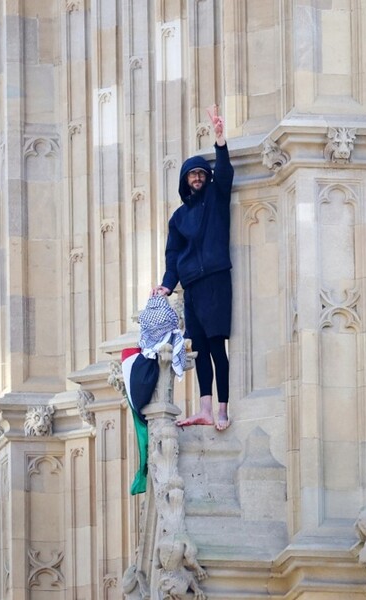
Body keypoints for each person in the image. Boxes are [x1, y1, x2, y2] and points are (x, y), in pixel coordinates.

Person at [153, 105, 234, 431]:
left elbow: (225, 174)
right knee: (198, 348)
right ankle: (204, 408)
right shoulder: (178, 218)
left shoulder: (216, 197)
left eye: (202, 173)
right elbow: (173, 256)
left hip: (215, 278)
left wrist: (220, 140)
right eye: (193, 175)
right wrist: (166, 285)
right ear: (185, 181)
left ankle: (223, 408)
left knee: (217, 345)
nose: (198, 178)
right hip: (193, 284)